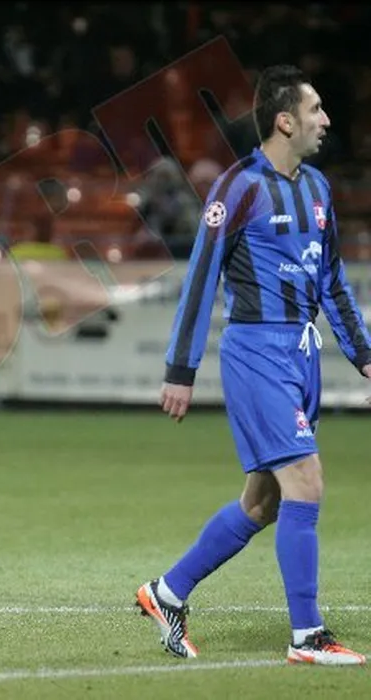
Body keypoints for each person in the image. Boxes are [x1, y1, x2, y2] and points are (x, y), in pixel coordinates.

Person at [136, 65, 368, 666]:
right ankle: (308, 636)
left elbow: (332, 279)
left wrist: (364, 353)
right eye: (316, 109)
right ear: (284, 120)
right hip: (258, 352)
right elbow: (200, 277)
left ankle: (166, 592)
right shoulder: (238, 187)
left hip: (301, 354)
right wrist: (180, 370)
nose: (326, 120)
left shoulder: (317, 187)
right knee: (306, 482)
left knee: (263, 504)